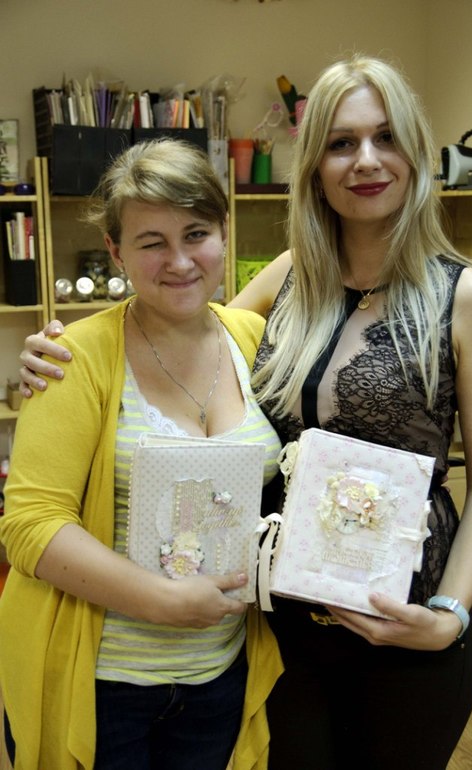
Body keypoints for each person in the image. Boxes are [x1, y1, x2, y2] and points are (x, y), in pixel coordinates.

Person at [17, 54, 472, 770]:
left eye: (385, 137)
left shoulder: (464, 296)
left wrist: (452, 614)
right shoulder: (290, 278)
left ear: (415, 151)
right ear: (314, 167)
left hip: (406, 618)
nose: (365, 160)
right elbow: (183, 324)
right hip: (280, 631)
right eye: (340, 143)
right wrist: (56, 353)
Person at [0, 138, 283, 770]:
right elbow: (29, 526)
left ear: (224, 232)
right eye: (152, 242)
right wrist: (162, 600)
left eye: (196, 234)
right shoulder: (72, 357)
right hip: (102, 684)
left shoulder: (254, 338)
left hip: (220, 676)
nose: (179, 261)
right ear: (115, 251)